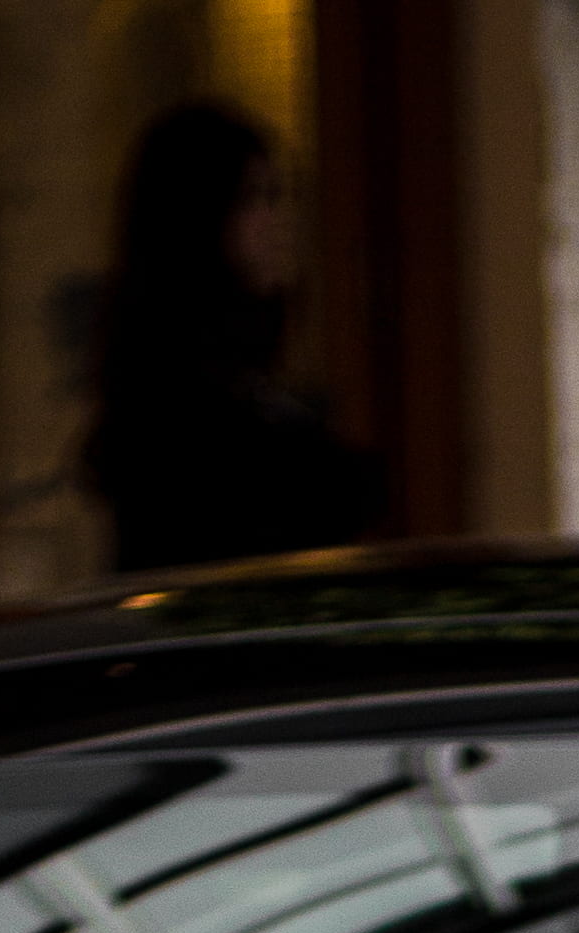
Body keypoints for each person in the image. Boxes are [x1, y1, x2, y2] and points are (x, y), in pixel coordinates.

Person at [84, 101, 385, 579]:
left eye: (276, 197)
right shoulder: (173, 401)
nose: (274, 222)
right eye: (252, 199)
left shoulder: (243, 374)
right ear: (198, 216)